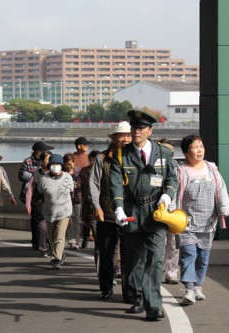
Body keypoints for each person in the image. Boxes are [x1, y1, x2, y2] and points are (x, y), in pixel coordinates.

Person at [110, 110, 178, 321]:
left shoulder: (163, 153)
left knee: (155, 260)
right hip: (132, 212)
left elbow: (172, 179)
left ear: (150, 130)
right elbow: (115, 185)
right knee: (136, 261)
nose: (136, 132)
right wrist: (118, 208)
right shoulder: (121, 155)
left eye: (140, 128)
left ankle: (153, 305)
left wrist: (167, 196)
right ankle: (139, 296)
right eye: (133, 128)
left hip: (156, 214)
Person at [171, 135, 229, 305]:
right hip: (186, 223)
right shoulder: (180, 171)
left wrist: (225, 207)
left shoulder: (212, 169)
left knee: (203, 257)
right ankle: (189, 288)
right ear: (185, 152)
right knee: (188, 254)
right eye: (195, 147)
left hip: (208, 223)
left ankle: (198, 286)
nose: (200, 150)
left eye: (201, 146)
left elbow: (221, 189)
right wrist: (171, 214)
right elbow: (174, 194)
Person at [90, 121, 132, 301]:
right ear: (114, 138)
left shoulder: (136, 157)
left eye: (128, 135)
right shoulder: (102, 158)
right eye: (121, 135)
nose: (125, 139)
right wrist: (96, 206)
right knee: (106, 254)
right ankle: (105, 287)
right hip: (107, 213)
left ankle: (129, 291)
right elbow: (94, 184)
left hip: (130, 214)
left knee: (130, 254)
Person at [37, 154, 73, 270]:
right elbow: (39, 192)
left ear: (61, 166)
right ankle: (60, 253)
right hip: (49, 212)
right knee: (51, 237)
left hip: (65, 212)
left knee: (60, 236)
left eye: (57, 165)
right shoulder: (43, 179)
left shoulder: (68, 177)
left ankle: (56, 258)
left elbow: (71, 191)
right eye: (53, 165)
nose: (55, 167)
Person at [18, 140, 55, 250]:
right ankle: (36, 241)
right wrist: (35, 177)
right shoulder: (28, 161)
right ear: (38, 152)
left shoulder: (50, 161)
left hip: (46, 197)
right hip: (33, 195)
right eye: (44, 150)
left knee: (42, 221)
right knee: (36, 219)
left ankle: (43, 241)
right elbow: (20, 175)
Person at [157, 139, 180, 285]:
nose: (168, 154)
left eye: (171, 152)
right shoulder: (153, 165)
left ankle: (172, 272)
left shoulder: (178, 167)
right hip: (156, 211)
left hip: (174, 211)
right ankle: (157, 271)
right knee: (159, 242)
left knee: (173, 244)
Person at [25, 150, 52, 257]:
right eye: (47, 159)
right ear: (41, 161)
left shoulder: (56, 173)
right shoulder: (36, 174)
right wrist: (28, 205)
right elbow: (29, 190)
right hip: (39, 204)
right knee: (42, 227)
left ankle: (52, 246)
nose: (50, 161)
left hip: (53, 205)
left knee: (52, 227)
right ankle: (43, 248)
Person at [76, 150, 100, 249]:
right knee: (87, 220)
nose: (93, 161)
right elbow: (79, 183)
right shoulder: (84, 171)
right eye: (91, 159)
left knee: (94, 221)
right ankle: (85, 238)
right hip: (87, 199)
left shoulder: (102, 170)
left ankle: (98, 242)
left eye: (95, 159)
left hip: (100, 200)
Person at [63, 153, 80, 250]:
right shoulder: (61, 173)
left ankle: (74, 241)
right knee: (65, 221)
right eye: (67, 164)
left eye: (71, 164)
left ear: (74, 163)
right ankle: (64, 240)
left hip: (76, 199)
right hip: (64, 200)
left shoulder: (79, 173)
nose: (69, 166)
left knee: (76, 221)